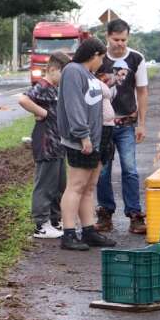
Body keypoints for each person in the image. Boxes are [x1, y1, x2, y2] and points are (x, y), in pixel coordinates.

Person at [57, 38, 117, 250]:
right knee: (76, 185)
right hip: (83, 140)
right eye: (102, 58)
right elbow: (74, 106)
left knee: (89, 187)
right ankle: (69, 233)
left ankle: (89, 230)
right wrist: (83, 136)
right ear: (94, 55)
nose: (102, 63)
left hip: (99, 136)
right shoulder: (73, 71)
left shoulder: (88, 74)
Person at [95, 19, 149, 234]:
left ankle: (135, 215)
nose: (120, 44)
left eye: (123, 40)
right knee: (103, 171)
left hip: (127, 123)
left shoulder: (137, 58)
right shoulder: (98, 58)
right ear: (107, 36)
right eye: (116, 39)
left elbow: (142, 92)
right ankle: (105, 214)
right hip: (103, 125)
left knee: (130, 170)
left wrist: (142, 124)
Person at [17, 51, 71, 239]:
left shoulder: (55, 88)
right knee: (45, 184)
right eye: (63, 73)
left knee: (59, 184)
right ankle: (41, 224)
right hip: (46, 142)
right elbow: (23, 99)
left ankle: (55, 221)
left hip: (58, 144)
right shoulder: (43, 85)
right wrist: (43, 113)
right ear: (53, 69)